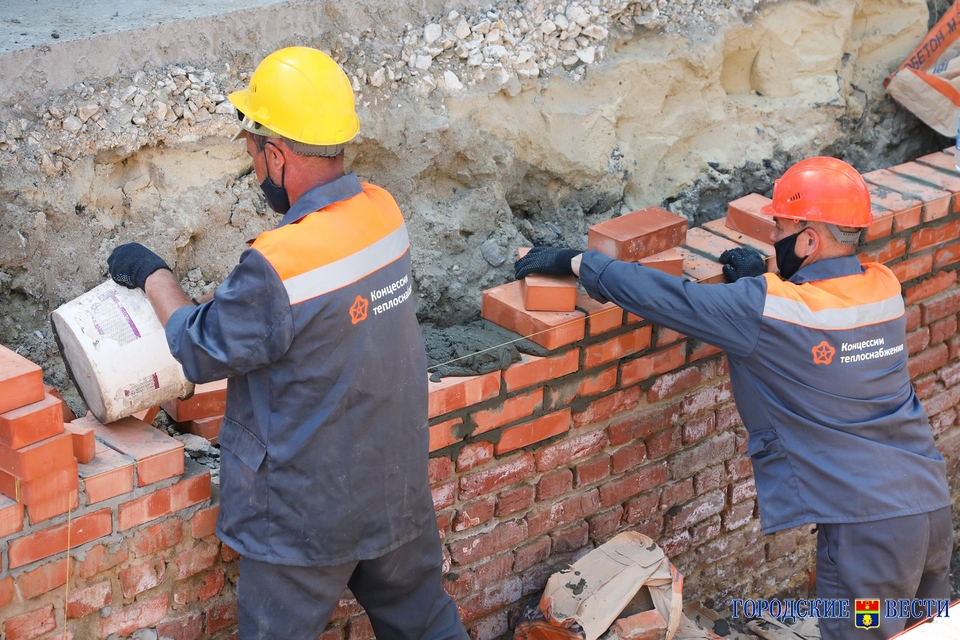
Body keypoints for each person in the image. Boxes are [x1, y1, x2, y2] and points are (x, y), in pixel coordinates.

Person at [107, 46, 468, 640]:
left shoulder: (280, 263)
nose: (255, 170)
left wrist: (155, 275)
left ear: (276, 153)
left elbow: (199, 348)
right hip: (395, 492)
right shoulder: (385, 214)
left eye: (254, 153)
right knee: (427, 626)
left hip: (305, 519)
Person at [515, 157, 952, 640]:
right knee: (923, 631)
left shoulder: (767, 310)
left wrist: (579, 262)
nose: (774, 239)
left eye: (782, 228)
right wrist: (757, 281)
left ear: (809, 238)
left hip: (870, 539)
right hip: (928, 510)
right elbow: (810, 317)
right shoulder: (883, 288)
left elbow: (672, 298)